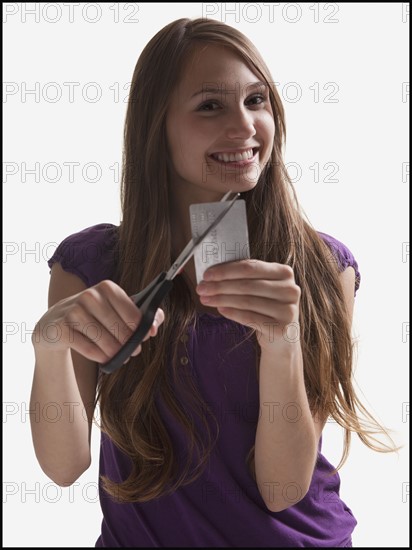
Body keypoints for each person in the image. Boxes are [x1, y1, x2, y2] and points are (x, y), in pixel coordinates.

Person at [30, 17, 398, 547]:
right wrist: (48, 345)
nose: (246, 127)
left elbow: (283, 489)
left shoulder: (320, 268)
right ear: (156, 128)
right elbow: (63, 467)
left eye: (257, 101)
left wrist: (282, 344)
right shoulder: (91, 265)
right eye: (210, 105)